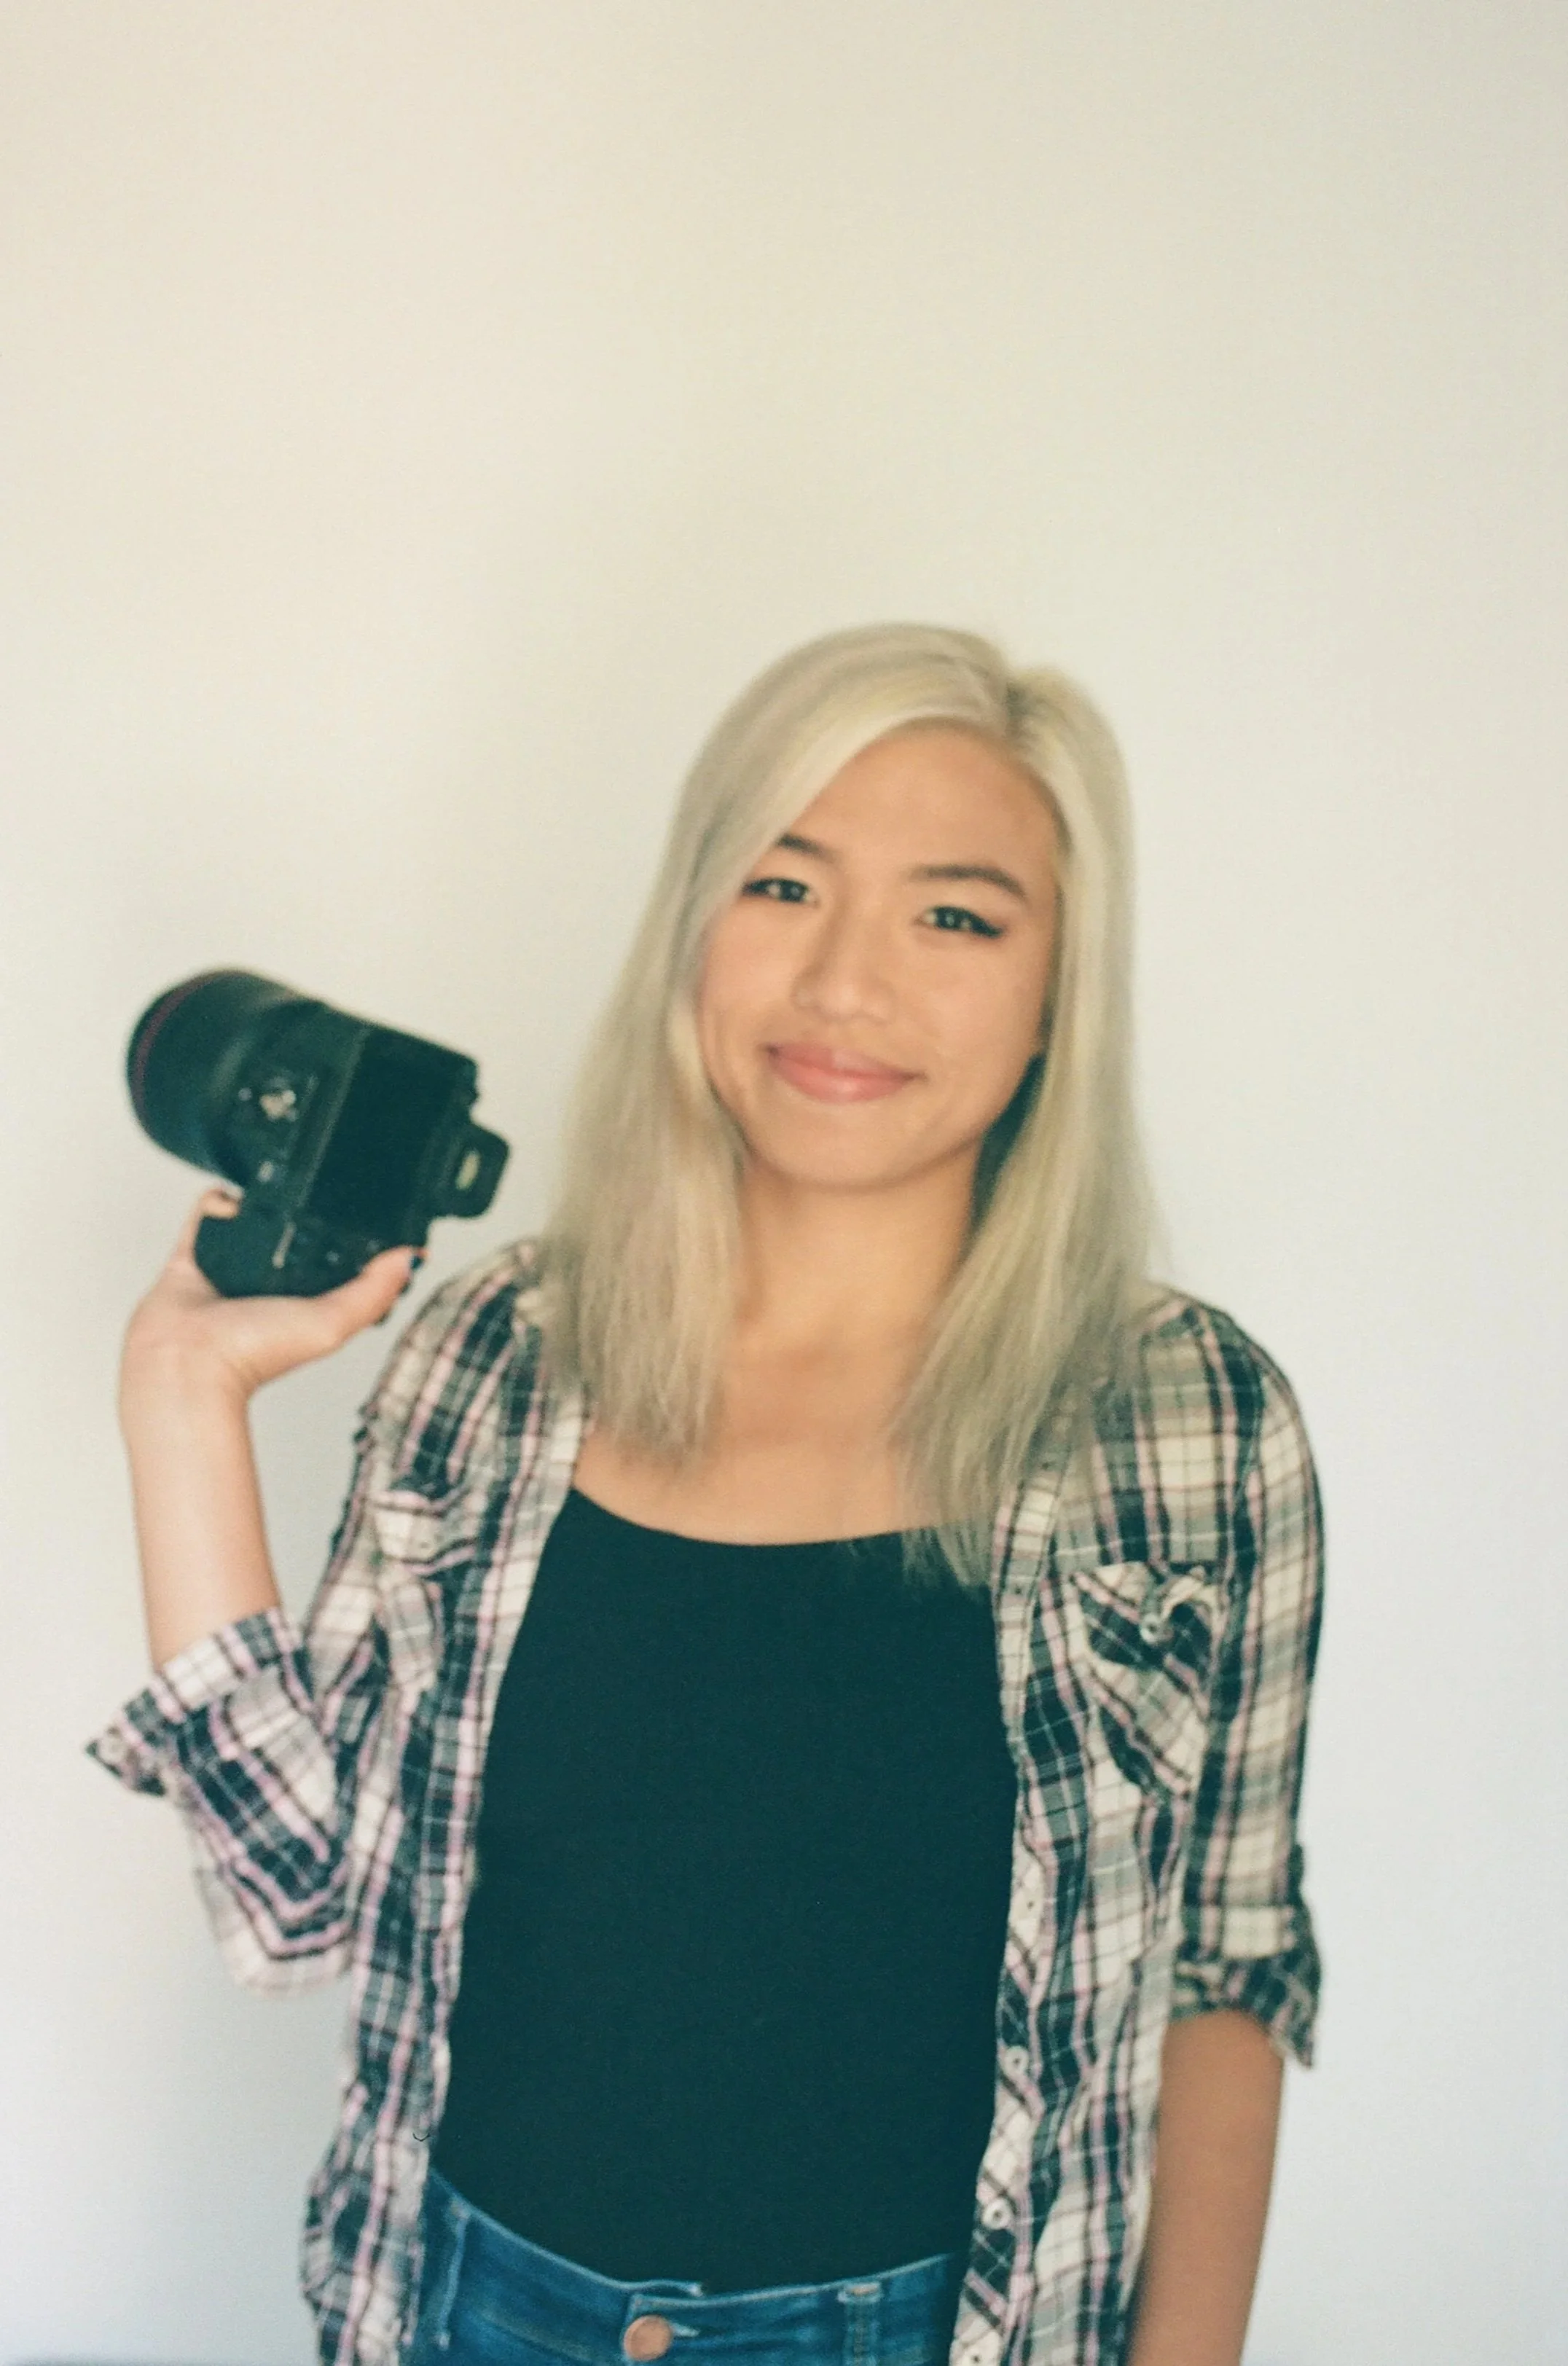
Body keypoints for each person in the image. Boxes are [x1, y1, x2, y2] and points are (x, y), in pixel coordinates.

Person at [93, 624, 1322, 2366]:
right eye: (782, 885)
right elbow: (301, 1904)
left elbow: (1223, 1965)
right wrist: (182, 1401)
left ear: (1059, 992)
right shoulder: (499, 1353)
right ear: (694, 927)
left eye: (954, 917)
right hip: (469, 2312)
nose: (843, 983)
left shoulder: (1188, 1418)